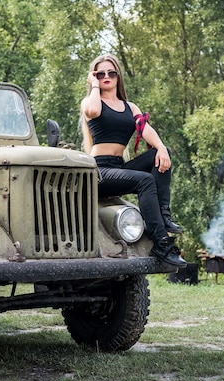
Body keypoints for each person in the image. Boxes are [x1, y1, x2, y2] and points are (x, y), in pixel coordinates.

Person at [80, 54, 187, 267]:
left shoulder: (130, 107)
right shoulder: (92, 102)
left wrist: (161, 148)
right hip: (99, 172)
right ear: (95, 76)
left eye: (111, 72)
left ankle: (164, 216)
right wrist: (93, 86)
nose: (106, 76)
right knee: (144, 180)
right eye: (100, 73)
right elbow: (92, 111)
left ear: (118, 76)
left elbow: (145, 129)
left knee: (160, 155)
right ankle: (161, 243)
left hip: (119, 168)